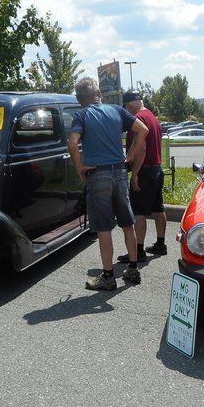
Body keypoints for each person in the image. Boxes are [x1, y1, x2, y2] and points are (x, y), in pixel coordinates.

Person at [68, 77, 148, 291]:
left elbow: (73, 144)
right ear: (99, 94)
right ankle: (133, 269)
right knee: (127, 224)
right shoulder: (116, 111)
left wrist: (80, 168)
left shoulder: (81, 115)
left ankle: (108, 277)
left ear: (79, 99)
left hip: (98, 175)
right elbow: (143, 130)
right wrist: (130, 155)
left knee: (104, 229)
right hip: (120, 172)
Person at [117, 90, 168, 263]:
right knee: (158, 208)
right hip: (157, 169)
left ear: (129, 105)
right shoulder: (152, 117)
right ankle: (160, 244)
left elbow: (142, 149)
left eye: (126, 108)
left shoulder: (136, 120)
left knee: (139, 212)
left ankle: (138, 250)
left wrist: (135, 174)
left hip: (144, 170)